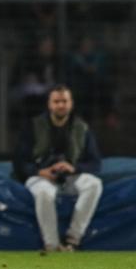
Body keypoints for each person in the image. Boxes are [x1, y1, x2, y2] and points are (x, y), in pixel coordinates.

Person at [13, 84, 103, 251]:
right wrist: (40, 171)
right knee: (44, 192)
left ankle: (73, 239)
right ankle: (52, 245)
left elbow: (95, 163)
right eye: (56, 101)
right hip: (41, 176)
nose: (61, 105)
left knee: (94, 184)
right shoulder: (34, 126)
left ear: (71, 103)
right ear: (49, 104)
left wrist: (73, 168)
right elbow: (19, 162)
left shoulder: (81, 127)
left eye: (64, 101)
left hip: (70, 177)